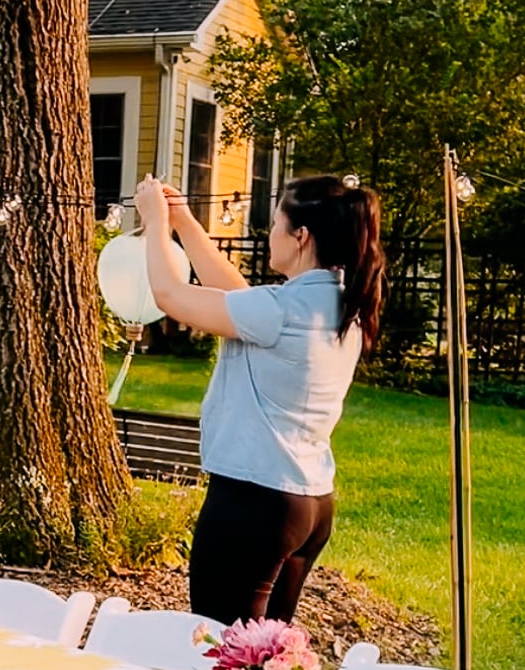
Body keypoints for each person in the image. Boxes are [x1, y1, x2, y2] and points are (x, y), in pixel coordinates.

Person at [132, 172, 385, 626]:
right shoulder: (339, 304)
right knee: (266, 653)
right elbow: (237, 297)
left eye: (275, 224)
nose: (269, 235)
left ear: (301, 236)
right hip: (308, 505)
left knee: (221, 646)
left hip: (253, 504)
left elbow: (170, 295)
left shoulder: (280, 311)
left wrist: (155, 223)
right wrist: (184, 222)